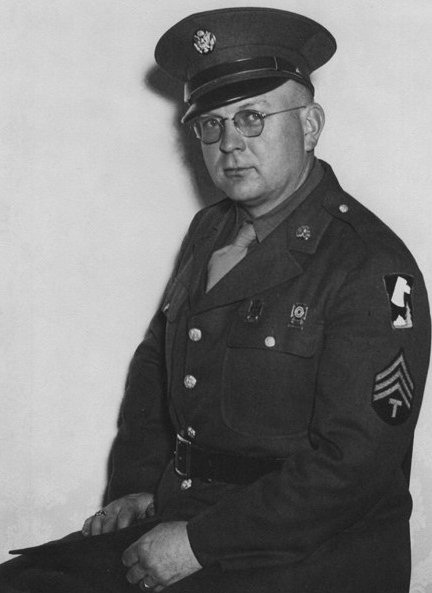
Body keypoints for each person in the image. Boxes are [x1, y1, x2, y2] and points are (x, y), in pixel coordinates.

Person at [1, 7, 430, 593]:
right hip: (188, 515)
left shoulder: (371, 265)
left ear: (310, 125)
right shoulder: (210, 231)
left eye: (253, 117)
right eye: (211, 124)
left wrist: (200, 544)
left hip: (311, 553)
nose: (230, 143)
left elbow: (354, 466)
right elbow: (156, 362)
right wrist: (137, 483)